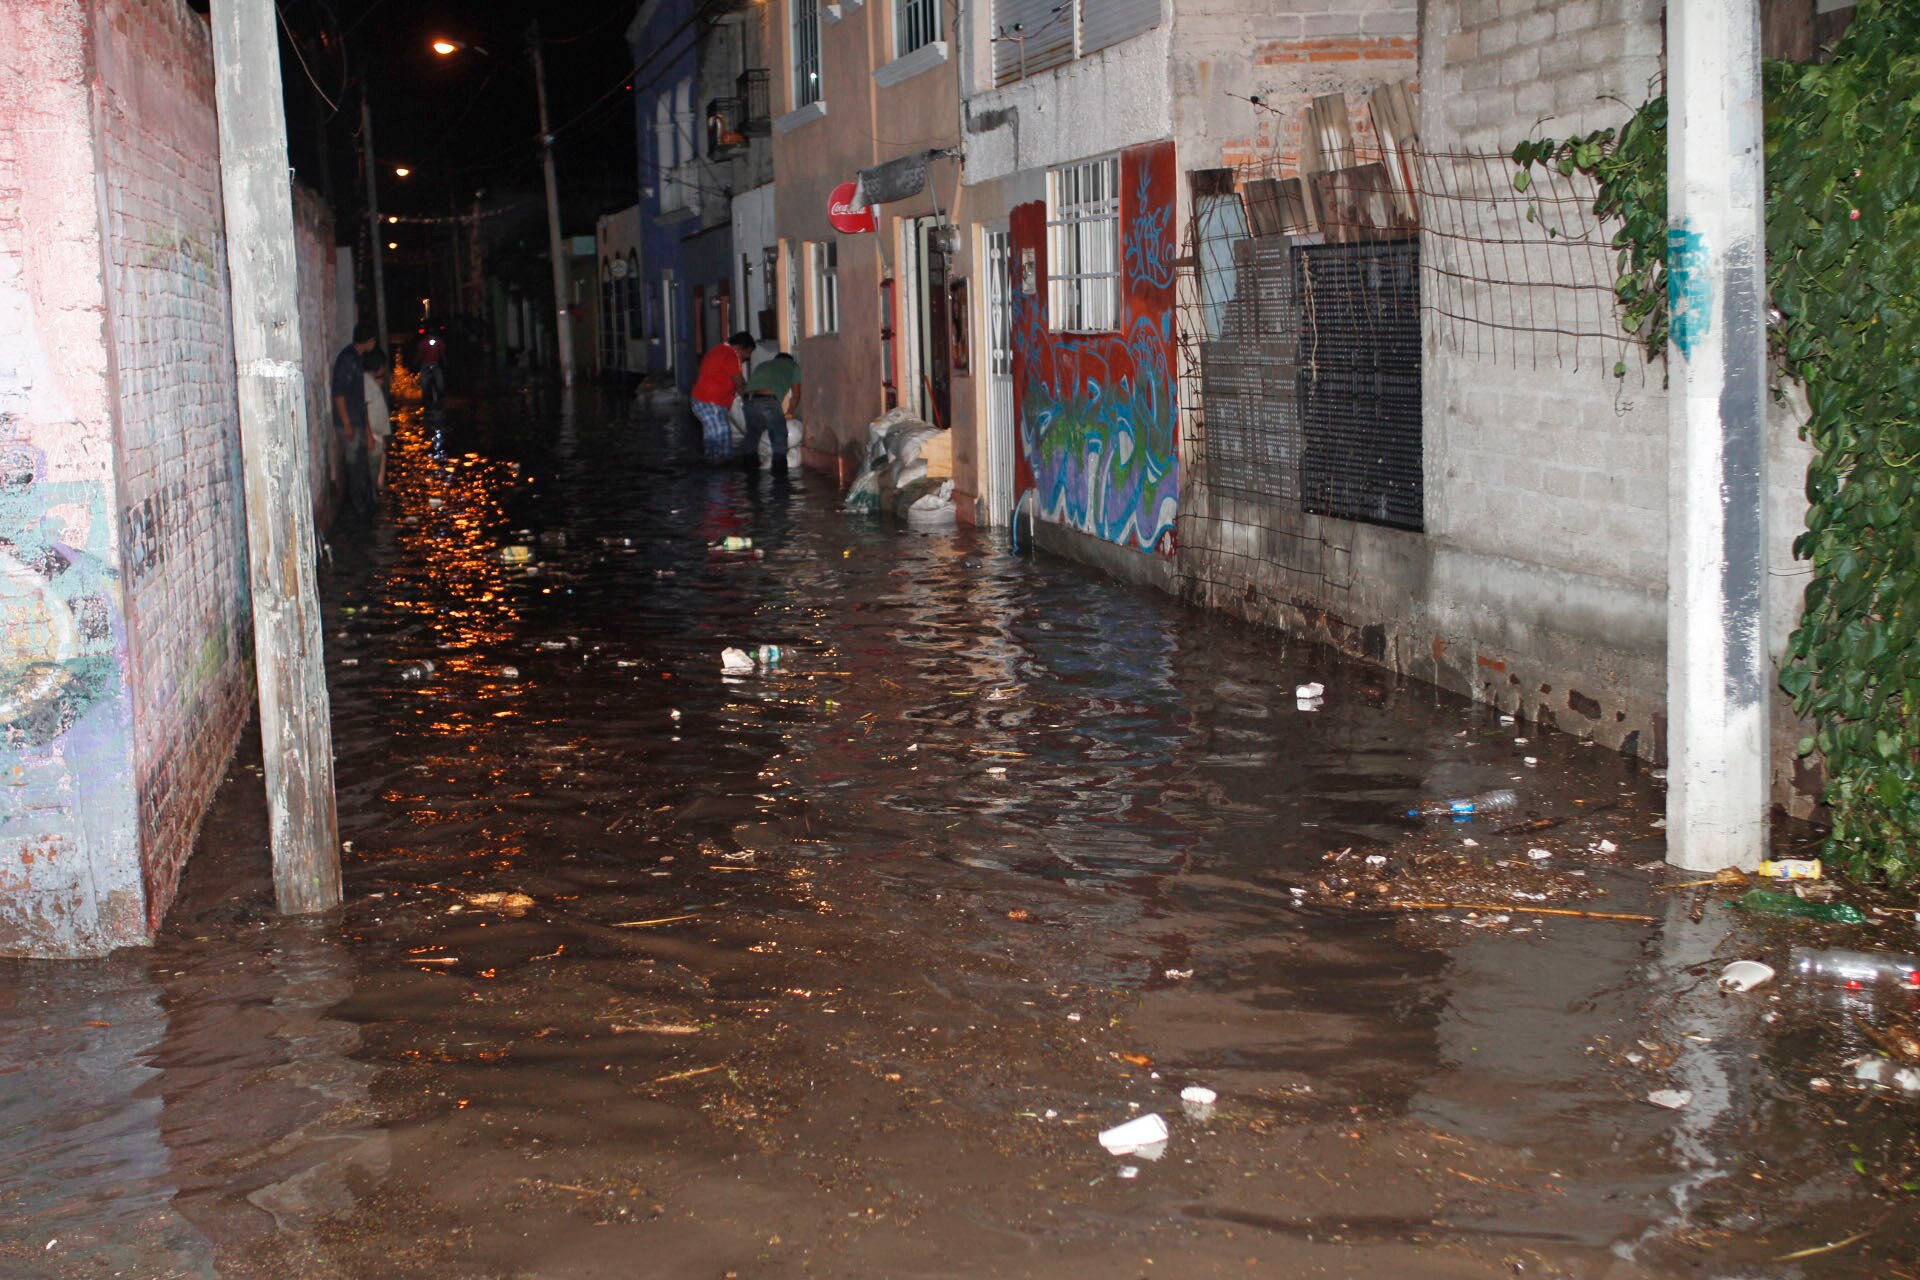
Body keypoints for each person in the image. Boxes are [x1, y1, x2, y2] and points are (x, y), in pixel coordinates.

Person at [331, 321, 377, 515]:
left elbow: (359, 398)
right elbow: (339, 394)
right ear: (369, 341)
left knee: (361, 465)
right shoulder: (347, 360)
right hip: (349, 422)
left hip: (356, 420)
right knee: (354, 467)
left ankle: (366, 505)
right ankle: (359, 508)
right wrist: (347, 424)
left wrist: (367, 431)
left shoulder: (356, 359)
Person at [689, 331, 755, 463]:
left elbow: (738, 377)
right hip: (711, 402)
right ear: (739, 348)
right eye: (747, 353)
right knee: (722, 437)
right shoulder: (730, 355)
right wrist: (750, 402)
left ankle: (711, 469)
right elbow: (739, 384)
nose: (747, 357)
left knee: (713, 438)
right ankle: (721, 475)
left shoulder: (718, 350)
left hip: (702, 400)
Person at [741, 351, 802, 474]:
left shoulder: (763, 365)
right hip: (768, 400)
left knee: (752, 435)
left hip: (749, 400)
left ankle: (750, 472)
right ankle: (780, 475)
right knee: (779, 436)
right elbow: (796, 394)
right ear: (789, 360)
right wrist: (790, 412)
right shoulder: (793, 366)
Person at [362, 346, 392, 491]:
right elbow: (364, 410)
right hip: (372, 436)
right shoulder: (366, 382)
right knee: (371, 476)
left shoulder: (370, 381)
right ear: (379, 367)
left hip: (377, 436)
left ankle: (378, 489)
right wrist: (369, 437)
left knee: (380, 460)